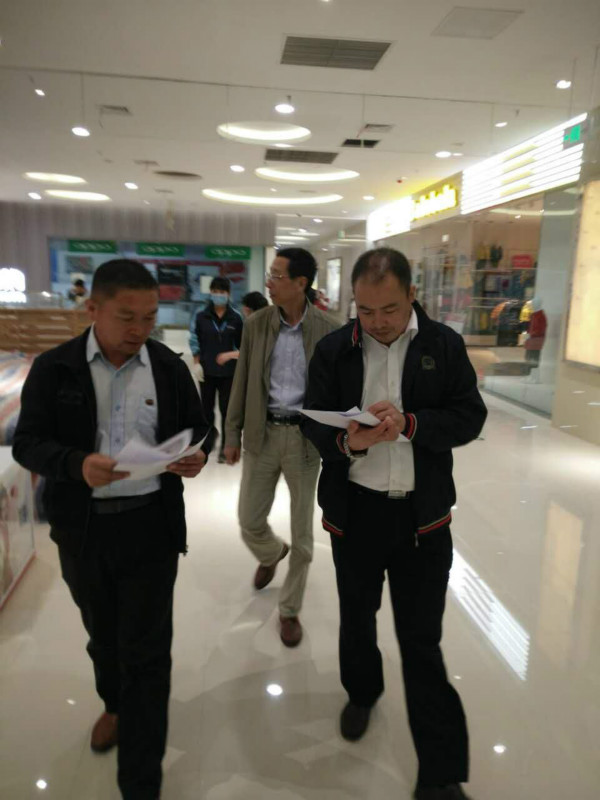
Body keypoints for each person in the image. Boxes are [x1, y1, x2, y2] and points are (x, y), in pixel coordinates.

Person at [12, 259, 214, 800]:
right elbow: (27, 442)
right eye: (126, 317)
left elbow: (199, 428)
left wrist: (196, 455)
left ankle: (140, 781)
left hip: (151, 527)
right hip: (83, 532)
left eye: (149, 318)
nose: (139, 329)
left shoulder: (168, 367)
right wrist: (76, 464)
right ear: (92, 309)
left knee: (148, 652)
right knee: (103, 636)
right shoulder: (55, 368)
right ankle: (115, 705)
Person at [302, 248, 487, 800]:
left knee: (422, 641)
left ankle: (442, 771)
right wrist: (348, 442)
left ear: (411, 295)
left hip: (422, 519)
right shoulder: (335, 350)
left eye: (389, 309)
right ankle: (362, 692)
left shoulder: (443, 345)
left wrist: (411, 425)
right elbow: (314, 422)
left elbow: (469, 417)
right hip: (356, 514)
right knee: (357, 618)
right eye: (365, 310)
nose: (378, 321)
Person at [224, 248, 338, 647]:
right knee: (248, 519)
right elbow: (241, 380)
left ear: (300, 283)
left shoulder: (329, 329)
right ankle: (271, 553)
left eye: (276, 276)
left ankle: (289, 610)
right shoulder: (256, 324)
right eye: (270, 275)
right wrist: (231, 433)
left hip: (305, 441)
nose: (269, 283)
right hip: (263, 434)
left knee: (303, 535)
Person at [189, 276, 243, 463]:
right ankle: (207, 443)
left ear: (228, 294)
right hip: (207, 371)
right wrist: (196, 363)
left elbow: (242, 346)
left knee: (228, 411)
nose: (218, 295)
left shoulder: (236, 318)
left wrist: (231, 355)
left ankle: (226, 447)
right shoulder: (201, 316)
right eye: (215, 291)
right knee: (206, 411)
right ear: (210, 292)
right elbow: (194, 339)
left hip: (229, 373)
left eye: (222, 292)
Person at [215, 291, 269, 367]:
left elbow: (253, 351)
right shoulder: (261, 325)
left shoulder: (261, 328)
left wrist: (228, 355)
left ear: (247, 309)